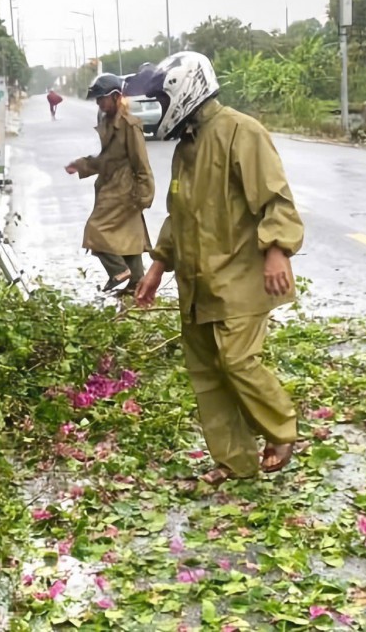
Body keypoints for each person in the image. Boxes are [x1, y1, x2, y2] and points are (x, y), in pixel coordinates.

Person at [134, 52, 305, 485]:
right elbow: (179, 216)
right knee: (207, 373)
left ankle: (282, 430)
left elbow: (275, 200)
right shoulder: (186, 148)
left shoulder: (240, 132)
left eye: (159, 96)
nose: (156, 106)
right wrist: (157, 266)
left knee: (237, 360)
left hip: (239, 278)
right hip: (198, 283)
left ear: (183, 89)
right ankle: (236, 461)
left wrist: (277, 250)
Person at [64, 73, 156, 295]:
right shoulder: (107, 122)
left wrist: (145, 193)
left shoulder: (129, 125)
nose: (98, 103)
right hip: (112, 186)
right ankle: (136, 284)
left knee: (95, 231)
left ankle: (118, 271)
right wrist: (82, 165)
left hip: (125, 190)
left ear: (115, 97)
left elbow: (141, 163)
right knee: (129, 235)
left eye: (101, 98)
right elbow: (106, 158)